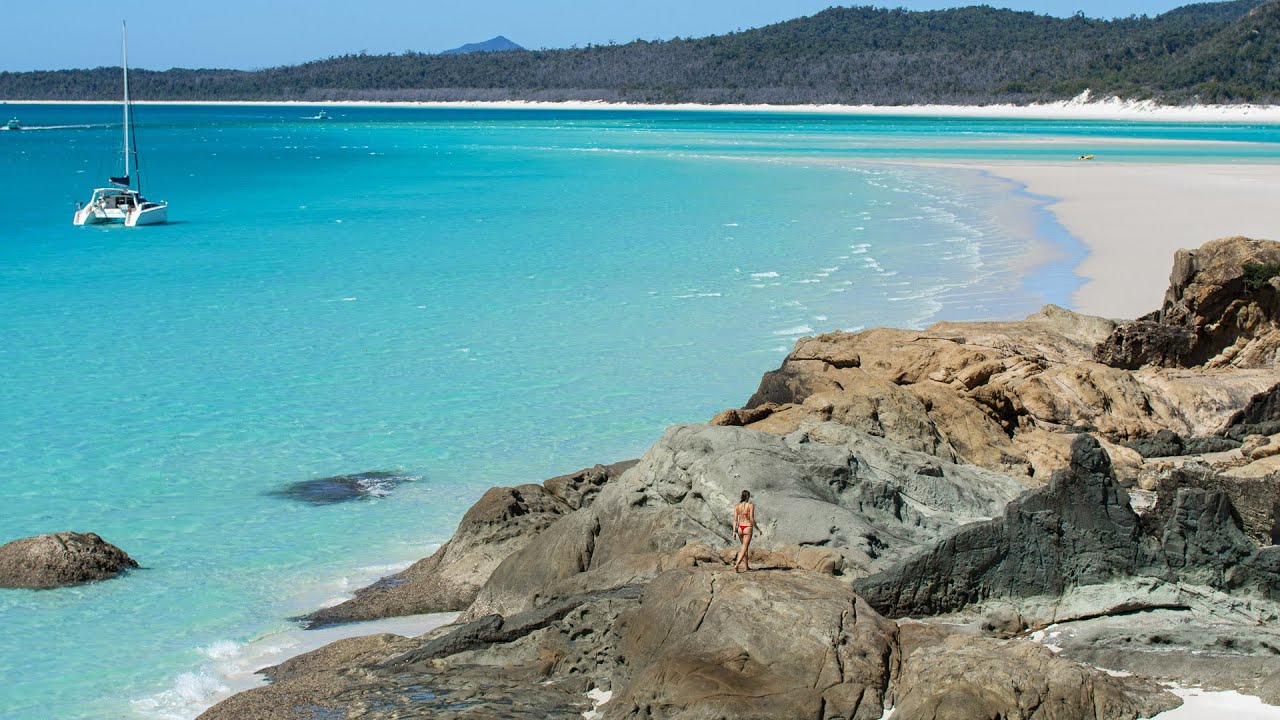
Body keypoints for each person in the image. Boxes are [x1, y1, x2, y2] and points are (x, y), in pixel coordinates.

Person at [732, 490, 757, 573]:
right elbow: (752, 519)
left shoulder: (737, 506)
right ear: (747, 497)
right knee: (744, 547)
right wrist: (758, 528)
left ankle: (746, 567)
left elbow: (735, 520)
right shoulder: (750, 505)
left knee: (744, 547)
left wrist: (733, 532)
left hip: (740, 528)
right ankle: (737, 564)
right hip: (747, 527)